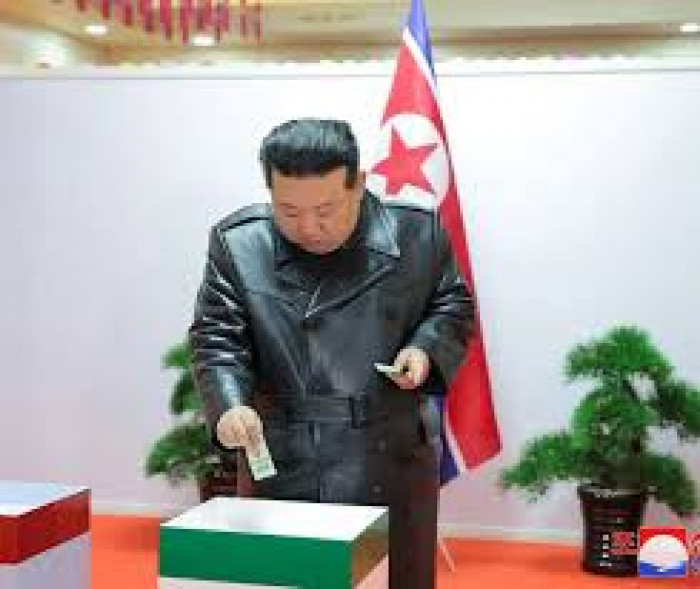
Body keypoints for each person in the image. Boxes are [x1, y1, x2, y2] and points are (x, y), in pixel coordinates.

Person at [189, 118, 473, 589]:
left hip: (389, 452)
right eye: (288, 211)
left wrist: (424, 349)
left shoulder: (416, 232)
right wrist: (230, 405)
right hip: (286, 456)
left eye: (325, 210)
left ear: (358, 184)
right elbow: (217, 336)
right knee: (292, 579)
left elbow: (452, 305)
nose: (308, 228)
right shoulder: (239, 243)